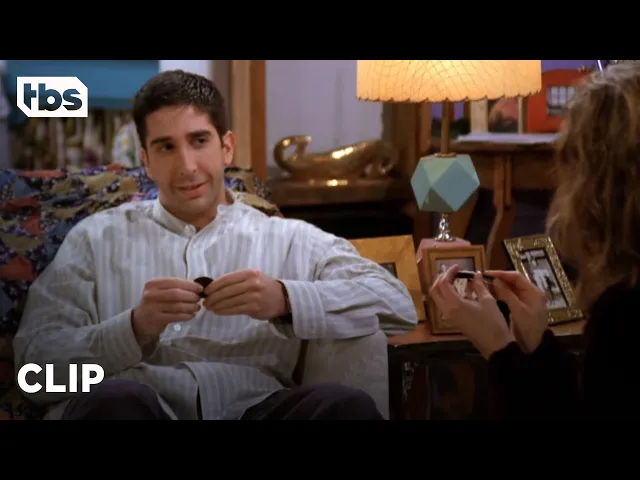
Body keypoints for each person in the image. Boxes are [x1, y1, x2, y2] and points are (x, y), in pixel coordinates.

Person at [13, 70, 418, 420]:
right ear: (146, 160)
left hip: (258, 407)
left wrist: (286, 299)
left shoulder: (290, 239)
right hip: (139, 406)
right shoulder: (94, 239)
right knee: (114, 402)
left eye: (199, 140)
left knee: (343, 405)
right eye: (166, 147)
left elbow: (397, 305)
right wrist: (134, 328)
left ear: (226, 147)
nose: (187, 166)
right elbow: (35, 376)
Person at [429, 62, 640, 419]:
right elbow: (589, 399)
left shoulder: (624, 313)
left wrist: (499, 349)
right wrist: (538, 344)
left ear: (601, 184)